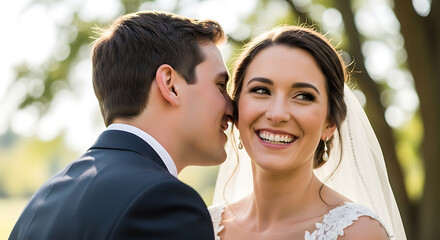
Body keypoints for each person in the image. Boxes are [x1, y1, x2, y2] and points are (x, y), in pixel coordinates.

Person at [10, 11, 232, 240]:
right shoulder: (164, 203)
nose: (231, 108)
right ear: (170, 85)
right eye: (221, 85)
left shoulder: (42, 200)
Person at [209, 26, 406, 240]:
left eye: (303, 96)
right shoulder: (203, 225)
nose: (277, 114)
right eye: (261, 90)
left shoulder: (358, 233)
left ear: (330, 122)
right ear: (236, 109)